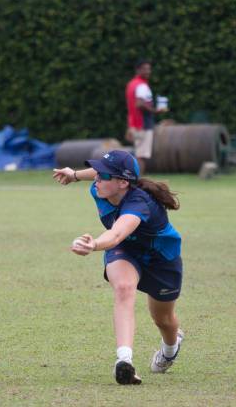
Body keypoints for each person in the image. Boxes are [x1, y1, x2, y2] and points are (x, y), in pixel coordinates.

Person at [52, 150, 184, 385]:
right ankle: (125, 360)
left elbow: (116, 234)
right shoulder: (100, 187)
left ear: (123, 182)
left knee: (164, 320)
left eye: (103, 176)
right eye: (98, 174)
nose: (96, 179)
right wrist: (73, 175)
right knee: (123, 288)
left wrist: (94, 244)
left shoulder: (139, 203)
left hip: (161, 258)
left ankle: (170, 349)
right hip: (126, 250)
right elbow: (97, 174)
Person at [125, 60, 167, 175]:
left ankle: (134, 182)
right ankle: (137, 183)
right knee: (141, 156)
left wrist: (129, 126)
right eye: (145, 69)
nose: (148, 71)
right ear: (138, 70)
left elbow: (131, 107)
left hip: (135, 123)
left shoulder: (131, 84)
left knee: (139, 153)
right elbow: (139, 104)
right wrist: (155, 111)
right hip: (142, 124)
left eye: (149, 69)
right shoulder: (141, 85)